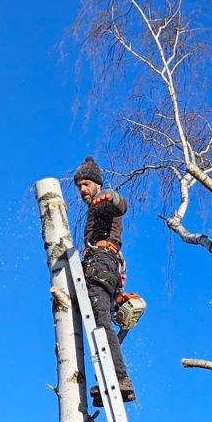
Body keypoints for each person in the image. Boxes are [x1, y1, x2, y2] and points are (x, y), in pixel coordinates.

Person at [72, 156, 135, 405]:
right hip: (103, 266)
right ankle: (110, 376)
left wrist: (110, 197)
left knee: (100, 321)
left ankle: (119, 378)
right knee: (99, 323)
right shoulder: (92, 210)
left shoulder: (102, 202)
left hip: (102, 264)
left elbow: (119, 206)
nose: (82, 191)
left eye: (86, 184)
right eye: (79, 187)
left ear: (96, 184)